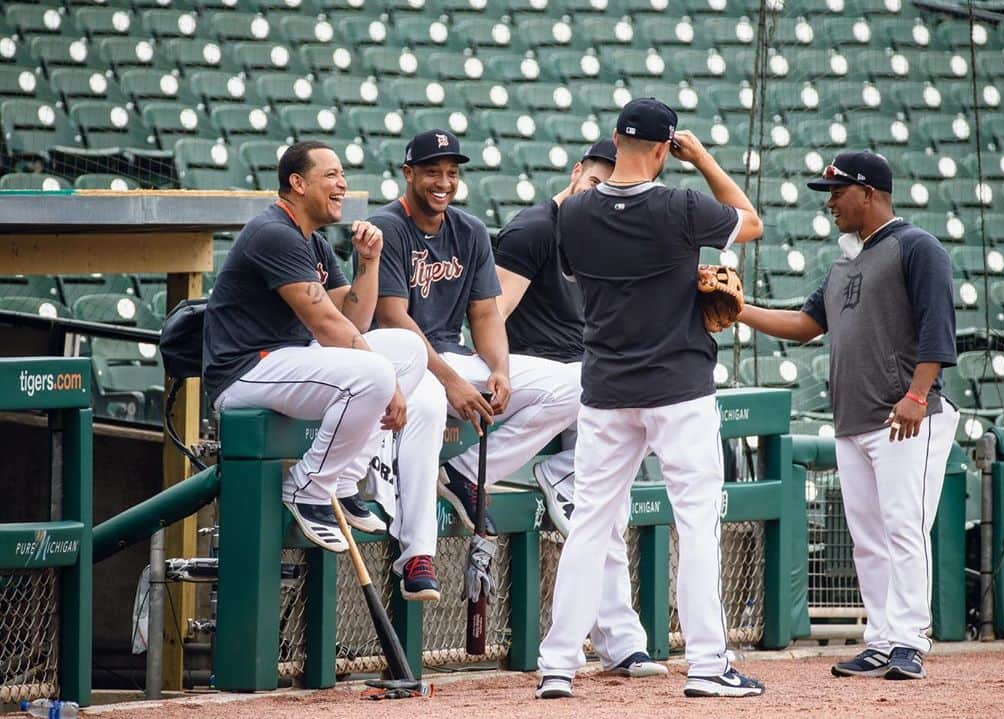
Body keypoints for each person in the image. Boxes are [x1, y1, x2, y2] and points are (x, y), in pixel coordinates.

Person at [535, 99, 765, 700]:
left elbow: (565, 247)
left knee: (588, 526)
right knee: (696, 525)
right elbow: (751, 221)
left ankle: (557, 665)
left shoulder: (574, 214)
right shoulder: (680, 204)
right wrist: (705, 159)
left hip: (606, 389)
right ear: (665, 150)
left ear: (614, 139)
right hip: (678, 386)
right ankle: (710, 666)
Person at [737, 150, 959, 680]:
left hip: (907, 414)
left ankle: (910, 638)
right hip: (854, 419)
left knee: (904, 527)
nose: (831, 202)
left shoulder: (918, 247)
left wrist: (918, 394)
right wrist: (737, 310)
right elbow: (805, 323)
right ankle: (882, 638)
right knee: (867, 535)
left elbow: (938, 326)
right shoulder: (843, 264)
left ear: (871, 193)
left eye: (838, 192)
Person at [202, 140, 442, 601]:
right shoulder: (273, 231)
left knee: (407, 350)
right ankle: (309, 488)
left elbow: (355, 321)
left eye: (342, 174)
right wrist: (383, 378)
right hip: (245, 372)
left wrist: (369, 263)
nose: (342, 183)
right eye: (330, 174)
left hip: (288, 363)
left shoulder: (311, 239)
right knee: (373, 373)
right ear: (297, 183)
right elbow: (328, 327)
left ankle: (346, 479)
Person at [494, 138, 666, 679]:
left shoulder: (606, 237)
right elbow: (492, 315)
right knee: (601, 511)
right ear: (576, 173)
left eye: (612, 186)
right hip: (536, 385)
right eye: (594, 182)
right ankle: (617, 641)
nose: (600, 194)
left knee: (606, 514)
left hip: (586, 384)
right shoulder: (534, 228)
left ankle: (620, 642)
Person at [369, 129, 579, 535]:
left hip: (456, 359)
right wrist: (451, 383)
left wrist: (499, 368)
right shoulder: (387, 227)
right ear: (408, 173)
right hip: (403, 366)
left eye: (451, 173)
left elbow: (485, 314)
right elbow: (393, 318)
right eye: (433, 172)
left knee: (572, 388)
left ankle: (464, 474)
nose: (444, 183)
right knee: (428, 383)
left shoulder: (470, 231)